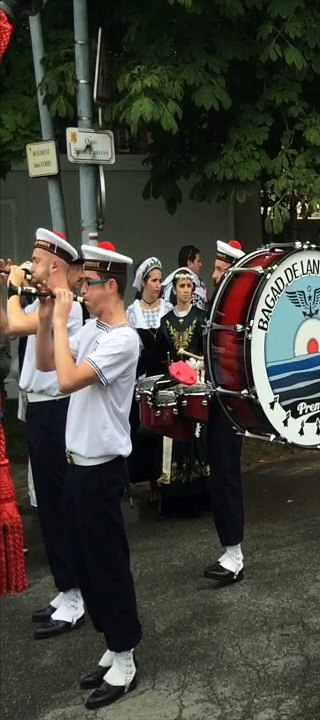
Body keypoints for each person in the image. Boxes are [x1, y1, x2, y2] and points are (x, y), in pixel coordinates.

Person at [35, 242, 143, 710]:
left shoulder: (123, 338)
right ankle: (110, 644)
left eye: (89, 281)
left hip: (102, 470)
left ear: (111, 286)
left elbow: (66, 380)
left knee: (108, 565)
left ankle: (125, 656)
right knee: (86, 562)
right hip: (76, 465)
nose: (81, 286)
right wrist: (45, 317)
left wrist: (61, 321)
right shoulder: (95, 328)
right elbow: (44, 363)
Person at [5, 229, 86, 639]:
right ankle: (65, 587)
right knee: (48, 504)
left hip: (56, 409)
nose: (29, 266)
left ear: (55, 266)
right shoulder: (45, 303)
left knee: (59, 503)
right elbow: (8, 321)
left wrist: (10, 287)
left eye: (36, 261)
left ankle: (75, 595)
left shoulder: (65, 307)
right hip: (39, 409)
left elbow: (13, 323)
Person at [203, 240, 249, 583]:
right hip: (217, 397)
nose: (214, 274)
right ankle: (228, 546)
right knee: (218, 474)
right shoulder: (216, 305)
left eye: (220, 269)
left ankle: (235, 553)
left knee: (227, 474)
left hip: (232, 402)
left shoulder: (242, 309)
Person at [157, 267, 209, 516]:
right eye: (182, 286)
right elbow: (161, 355)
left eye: (190, 286)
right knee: (175, 438)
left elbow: (204, 350)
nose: (187, 291)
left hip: (195, 383)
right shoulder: (165, 321)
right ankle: (176, 499)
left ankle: (200, 496)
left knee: (197, 437)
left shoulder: (201, 317)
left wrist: (197, 364)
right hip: (173, 385)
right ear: (174, 289)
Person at [126, 257, 172, 494]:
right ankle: (143, 477)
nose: (158, 284)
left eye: (160, 280)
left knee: (165, 431)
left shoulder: (168, 309)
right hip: (143, 380)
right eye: (154, 280)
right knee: (144, 430)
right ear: (143, 283)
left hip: (166, 378)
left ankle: (163, 480)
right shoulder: (132, 314)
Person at [162, 244, 207, 309]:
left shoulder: (201, 284)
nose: (201, 264)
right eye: (198, 261)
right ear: (189, 263)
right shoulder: (173, 284)